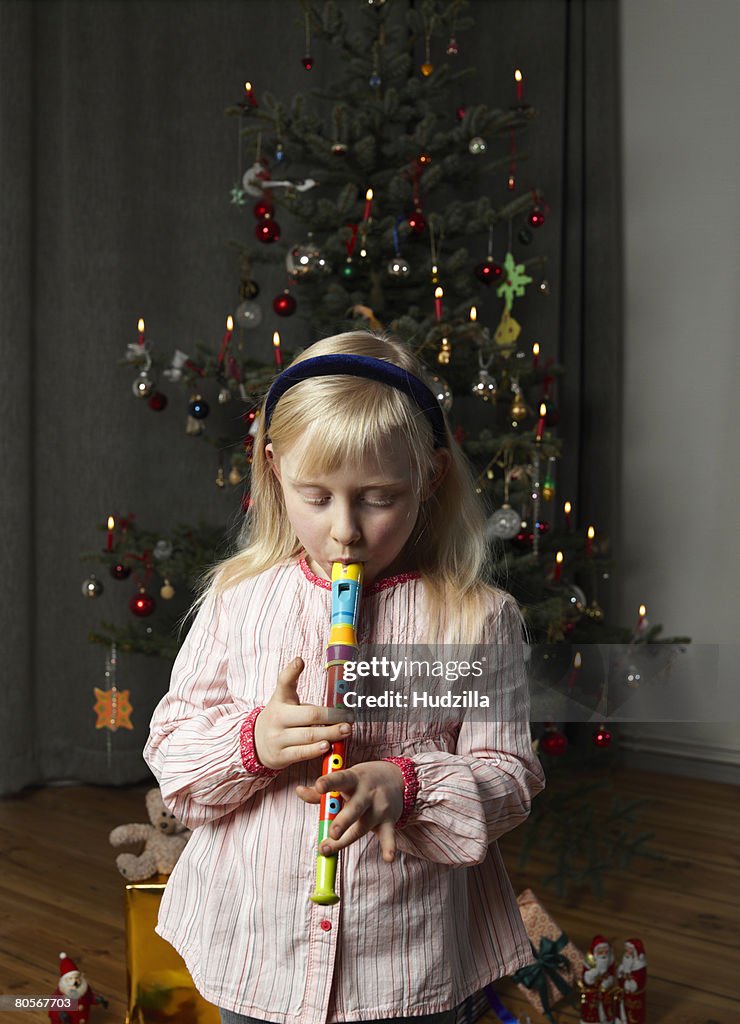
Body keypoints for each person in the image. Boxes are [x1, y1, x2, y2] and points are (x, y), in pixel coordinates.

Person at [144, 330, 545, 1024]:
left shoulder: (479, 621)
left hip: (406, 965)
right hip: (256, 950)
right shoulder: (237, 600)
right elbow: (174, 758)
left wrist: (410, 785)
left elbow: (509, 778)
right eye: (315, 495)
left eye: (378, 497)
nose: (345, 531)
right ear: (272, 469)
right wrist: (253, 743)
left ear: (432, 478)